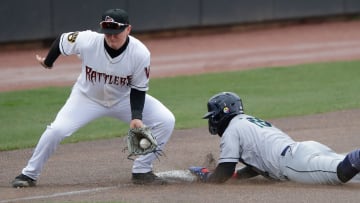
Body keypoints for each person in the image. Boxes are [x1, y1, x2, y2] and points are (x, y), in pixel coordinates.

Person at [11, 8, 175, 187]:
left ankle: (142, 170)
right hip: (86, 98)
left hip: (123, 99)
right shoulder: (88, 40)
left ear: (128, 29)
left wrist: (136, 116)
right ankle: (29, 174)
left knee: (166, 120)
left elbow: (138, 88)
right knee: (56, 130)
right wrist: (48, 62)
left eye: (116, 33)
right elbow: (62, 40)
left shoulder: (140, 53)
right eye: (108, 33)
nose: (111, 37)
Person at [189, 92, 360, 184]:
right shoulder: (247, 122)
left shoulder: (231, 131)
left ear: (222, 113)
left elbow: (224, 171)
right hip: (304, 150)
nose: (213, 120)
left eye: (214, 115)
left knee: (342, 172)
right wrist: (238, 176)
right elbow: (256, 162)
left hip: (295, 164)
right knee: (355, 174)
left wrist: (207, 177)